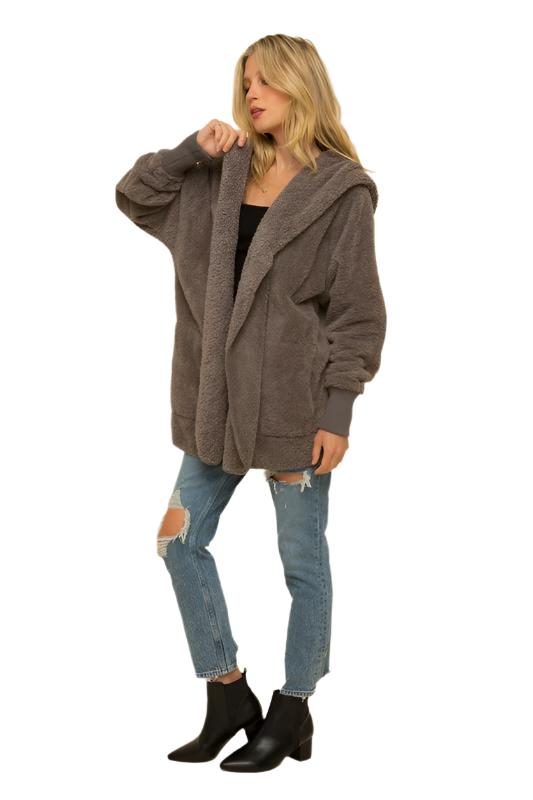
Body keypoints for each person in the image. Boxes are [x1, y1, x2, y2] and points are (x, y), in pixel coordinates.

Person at [115, 33, 387, 772]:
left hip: (296, 409)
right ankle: (229, 695)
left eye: (265, 80)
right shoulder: (219, 172)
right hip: (215, 406)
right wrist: (188, 153)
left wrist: (338, 411)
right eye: (245, 81)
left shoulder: (341, 192)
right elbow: (134, 197)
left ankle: (293, 708)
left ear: (301, 84)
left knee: (302, 564)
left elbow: (358, 312)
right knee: (178, 543)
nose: (251, 93)